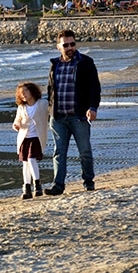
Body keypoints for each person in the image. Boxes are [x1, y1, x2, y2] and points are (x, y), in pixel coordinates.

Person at [44, 29, 101, 195]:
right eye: (66, 45)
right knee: (59, 152)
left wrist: (93, 107)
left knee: (84, 151)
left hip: (79, 116)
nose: (70, 47)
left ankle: (88, 182)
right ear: (58, 47)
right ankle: (58, 186)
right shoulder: (55, 64)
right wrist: (50, 109)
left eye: (72, 44)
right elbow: (50, 89)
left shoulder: (85, 62)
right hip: (58, 117)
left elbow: (94, 88)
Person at [12, 82, 49, 199]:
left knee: (31, 159)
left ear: (32, 91)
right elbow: (17, 120)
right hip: (24, 137)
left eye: (25, 92)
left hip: (36, 137)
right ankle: (26, 188)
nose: (23, 95)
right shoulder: (21, 107)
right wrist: (16, 125)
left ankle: (37, 185)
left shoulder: (42, 104)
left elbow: (51, 113)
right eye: (21, 94)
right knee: (25, 163)